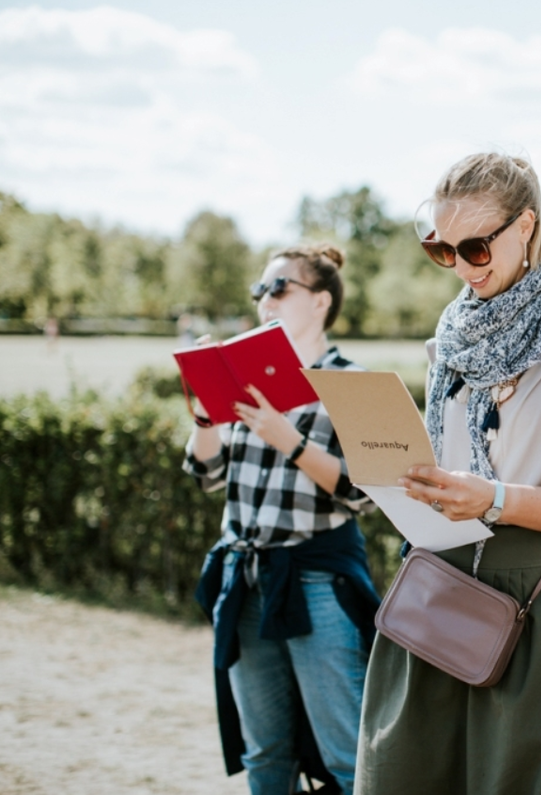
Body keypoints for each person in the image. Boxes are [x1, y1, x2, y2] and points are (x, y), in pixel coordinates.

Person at [354, 152, 541, 795]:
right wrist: (393, 476)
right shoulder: (448, 339)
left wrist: (493, 498)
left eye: (475, 247)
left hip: (533, 602)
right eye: (442, 251)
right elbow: (442, 458)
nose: (459, 266)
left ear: (526, 226)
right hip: (436, 588)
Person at [185, 244, 379, 795]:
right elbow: (207, 474)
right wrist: (204, 412)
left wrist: (286, 437)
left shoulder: (353, 380)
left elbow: (363, 493)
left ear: (320, 300)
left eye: (278, 288)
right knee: (265, 753)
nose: (263, 301)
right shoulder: (242, 375)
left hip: (316, 580)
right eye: (258, 291)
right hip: (246, 580)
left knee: (348, 756)